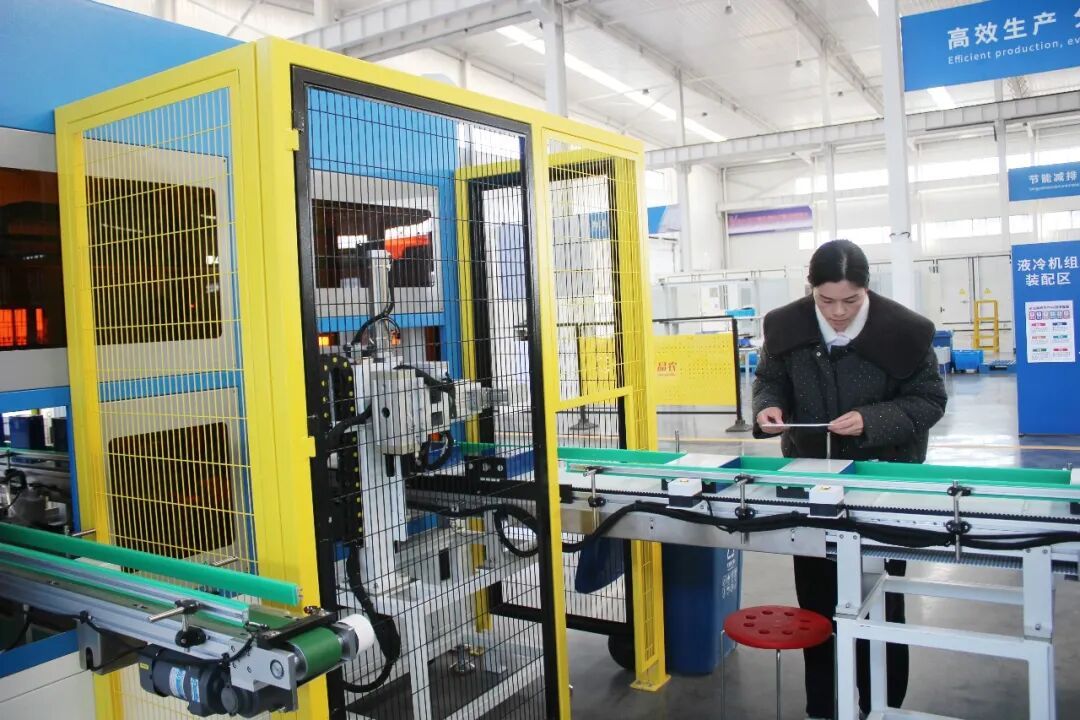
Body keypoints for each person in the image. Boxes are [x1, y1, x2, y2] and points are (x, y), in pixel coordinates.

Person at [752, 239, 948, 720]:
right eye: (826, 300)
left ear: (867, 289)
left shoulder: (906, 332)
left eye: (851, 300)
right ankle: (823, 705)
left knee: (882, 600)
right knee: (815, 601)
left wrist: (871, 420)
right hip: (810, 486)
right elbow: (769, 380)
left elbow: (929, 401)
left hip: (882, 488)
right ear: (811, 290)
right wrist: (768, 407)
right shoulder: (786, 327)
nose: (838, 313)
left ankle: (881, 705)